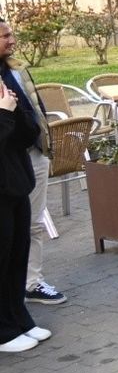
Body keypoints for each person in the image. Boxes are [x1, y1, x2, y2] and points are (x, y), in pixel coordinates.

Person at [0, 22, 60, 309]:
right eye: (5, 36)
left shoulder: (17, 68)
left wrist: (45, 143)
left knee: (34, 223)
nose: (12, 40)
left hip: (33, 154)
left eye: (12, 33)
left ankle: (31, 283)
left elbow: (35, 109)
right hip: (7, 163)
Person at [0, 18, 45, 355]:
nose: (11, 40)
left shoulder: (7, 74)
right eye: (5, 36)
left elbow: (23, 128)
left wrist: (20, 118)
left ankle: (19, 317)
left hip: (16, 179)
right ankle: (3, 330)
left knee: (18, 252)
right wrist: (5, 114)